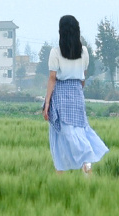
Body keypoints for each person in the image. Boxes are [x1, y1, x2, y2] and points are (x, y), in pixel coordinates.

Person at [41, 15, 107, 175]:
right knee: (79, 130)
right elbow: (83, 76)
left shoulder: (55, 52)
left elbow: (52, 78)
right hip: (77, 93)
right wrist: (77, 90)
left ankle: (68, 168)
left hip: (60, 94)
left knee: (62, 134)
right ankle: (86, 165)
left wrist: (47, 102)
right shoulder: (84, 52)